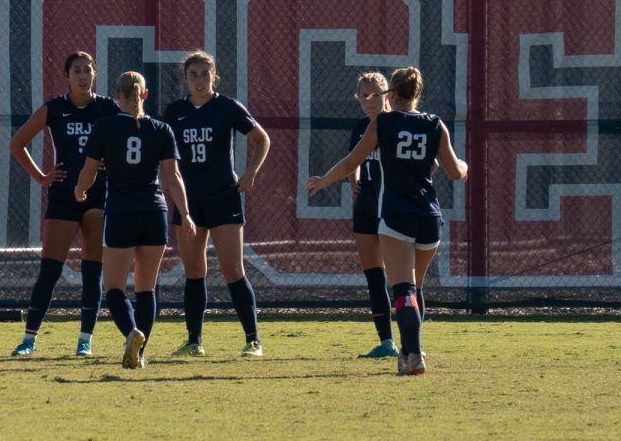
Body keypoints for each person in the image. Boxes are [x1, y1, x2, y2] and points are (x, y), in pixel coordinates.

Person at [306, 67, 467, 376]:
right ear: (418, 93)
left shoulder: (384, 122)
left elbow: (352, 161)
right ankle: (408, 352)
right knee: (415, 288)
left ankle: (415, 354)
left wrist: (325, 180)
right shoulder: (435, 124)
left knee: (403, 289)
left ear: (391, 93)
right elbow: (454, 172)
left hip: (396, 215)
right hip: (430, 215)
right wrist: (465, 165)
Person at [75, 71, 195, 370]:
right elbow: (172, 177)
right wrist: (186, 213)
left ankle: (131, 333)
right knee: (146, 289)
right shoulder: (161, 129)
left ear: (118, 95)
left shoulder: (105, 127)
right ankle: (139, 355)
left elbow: (89, 171)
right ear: (144, 95)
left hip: (121, 212)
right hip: (155, 212)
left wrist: (80, 190)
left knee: (113, 287)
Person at [8, 51, 118, 358]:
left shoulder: (107, 108)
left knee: (92, 270)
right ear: (67, 76)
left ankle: (85, 340)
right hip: (63, 196)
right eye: (77, 71)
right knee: (50, 270)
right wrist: (42, 176)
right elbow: (17, 143)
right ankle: (28, 339)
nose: (83, 76)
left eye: (88, 70)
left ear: (94, 74)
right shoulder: (55, 108)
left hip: (98, 196)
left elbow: (127, 139)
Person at [162, 52, 271, 358]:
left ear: (214, 76)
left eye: (204, 73)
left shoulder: (227, 107)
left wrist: (250, 173)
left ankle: (253, 341)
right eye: (193, 74)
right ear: (185, 78)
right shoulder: (175, 111)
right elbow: (164, 158)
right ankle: (194, 340)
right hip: (189, 201)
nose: (199, 80)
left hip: (224, 196)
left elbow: (262, 139)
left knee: (232, 269)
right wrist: (169, 187)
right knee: (194, 270)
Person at [349, 71, 399, 359]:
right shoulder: (359, 128)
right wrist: (353, 180)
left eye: (376, 94)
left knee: (405, 279)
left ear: (388, 95)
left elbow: (430, 164)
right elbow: (352, 161)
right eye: (364, 95)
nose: (370, 101)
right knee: (374, 276)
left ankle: (412, 340)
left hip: (394, 207)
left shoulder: (398, 124)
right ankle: (386, 341)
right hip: (366, 206)